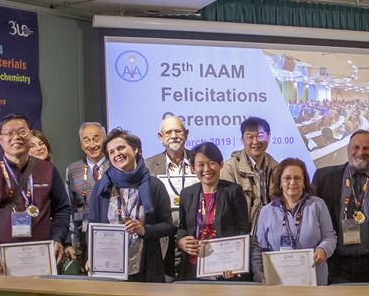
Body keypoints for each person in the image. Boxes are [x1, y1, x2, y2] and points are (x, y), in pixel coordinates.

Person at [0, 114, 71, 272]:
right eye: (9, 133)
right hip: (1, 262)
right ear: (0, 139)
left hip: (43, 258)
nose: (16, 137)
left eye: (22, 131)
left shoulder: (48, 170)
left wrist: (58, 239)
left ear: (30, 135)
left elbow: (62, 209)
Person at [88, 129, 175, 282]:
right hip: (110, 265)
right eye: (111, 152)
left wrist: (144, 230)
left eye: (121, 148)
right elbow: (93, 225)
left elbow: (168, 226)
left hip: (146, 267)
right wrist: (92, 256)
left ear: (135, 150)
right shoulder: (102, 187)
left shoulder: (154, 186)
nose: (117, 154)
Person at [312, 130, 369, 283]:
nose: (361, 152)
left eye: (366, 148)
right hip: (335, 264)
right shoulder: (324, 177)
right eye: (356, 147)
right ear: (347, 150)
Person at [252, 158, 336, 285]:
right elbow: (258, 248)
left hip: (314, 280)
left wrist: (323, 250)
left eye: (297, 178)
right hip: (277, 282)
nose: (292, 182)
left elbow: (329, 236)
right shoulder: (266, 211)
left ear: (304, 182)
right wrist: (259, 274)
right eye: (287, 178)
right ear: (280, 182)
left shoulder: (318, 205)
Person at [175, 142, 250, 280]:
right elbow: (182, 228)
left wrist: (235, 262)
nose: (207, 169)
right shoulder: (187, 194)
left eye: (212, 163)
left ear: (221, 164)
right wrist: (181, 241)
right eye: (201, 164)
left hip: (224, 266)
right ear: (193, 168)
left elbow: (243, 229)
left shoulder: (233, 191)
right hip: (193, 266)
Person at [145, 115, 195, 280]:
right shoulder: (148, 165)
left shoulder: (199, 160)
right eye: (168, 132)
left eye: (178, 131)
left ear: (186, 134)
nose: (174, 136)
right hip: (162, 235)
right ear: (160, 137)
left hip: (193, 235)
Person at [63, 122, 109, 271]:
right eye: (86, 140)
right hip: (83, 235)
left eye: (96, 139)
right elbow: (69, 207)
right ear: (81, 143)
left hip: (111, 233)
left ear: (105, 139)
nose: (92, 145)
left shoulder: (114, 165)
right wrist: (69, 240)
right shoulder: (73, 169)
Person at [220, 116, 279, 232]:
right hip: (242, 233)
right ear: (242, 140)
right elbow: (225, 209)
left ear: (269, 138)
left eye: (260, 136)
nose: (255, 142)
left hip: (272, 231)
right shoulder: (230, 168)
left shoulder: (277, 168)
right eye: (250, 137)